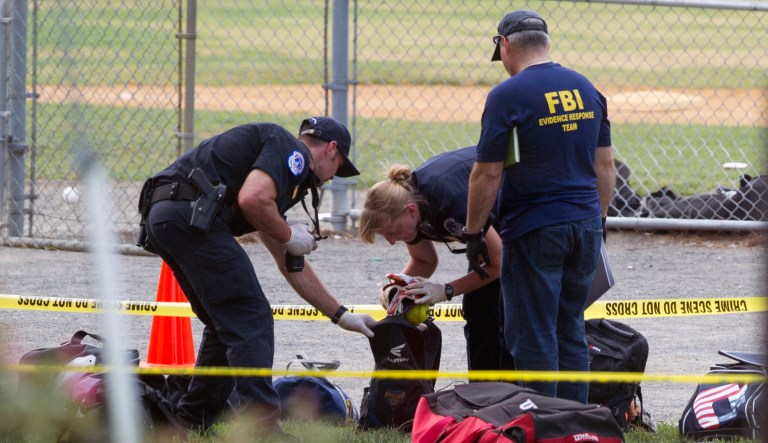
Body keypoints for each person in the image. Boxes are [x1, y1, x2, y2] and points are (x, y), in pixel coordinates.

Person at [136, 116, 377, 438]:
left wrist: (340, 314)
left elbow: (289, 262)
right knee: (250, 316)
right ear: (331, 149)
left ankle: (191, 419)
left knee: (226, 324)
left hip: (170, 215)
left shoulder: (272, 170)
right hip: (187, 214)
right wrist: (289, 232)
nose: (331, 179)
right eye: (338, 169)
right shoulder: (293, 153)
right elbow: (252, 199)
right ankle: (262, 429)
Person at [463, 10, 616, 403]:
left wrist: (474, 233)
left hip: (535, 228)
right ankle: (574, 423)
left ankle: (544, 425)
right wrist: (596, 222)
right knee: (570, 330)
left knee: (533, 336)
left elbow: (486, 174)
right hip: (584, 225)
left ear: (505, 45)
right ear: (547, 44)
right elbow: (605, 165)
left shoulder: (508, 95)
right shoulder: (586, 88)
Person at [358, 146, 513, 372]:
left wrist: (445, 290)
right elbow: (424, 260)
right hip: (489, 229)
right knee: (479, 312)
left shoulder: (449, 203)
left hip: (522, 210)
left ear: (410, 211)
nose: (392, 241)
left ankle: (514, 399)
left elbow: (499, 263)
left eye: (392, 231)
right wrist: (398, 288)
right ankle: (482, 397)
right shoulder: (409, 203)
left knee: (508, 318)